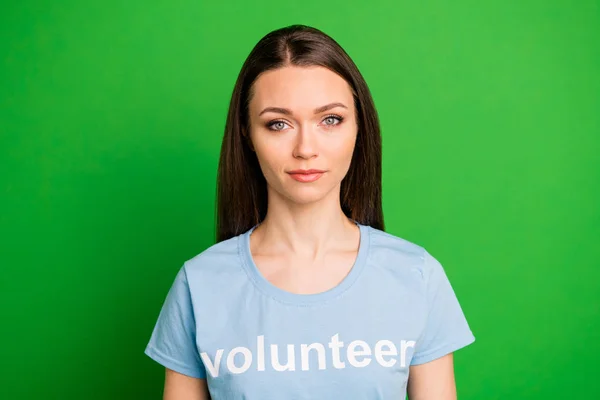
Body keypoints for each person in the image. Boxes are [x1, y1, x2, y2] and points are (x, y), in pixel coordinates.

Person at [144, 24, 476, 399]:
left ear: (359, 129)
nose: (305, 147)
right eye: (278, 124)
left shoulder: (416, 275)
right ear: (247, 135)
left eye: (330, 120)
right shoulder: (199, 284)